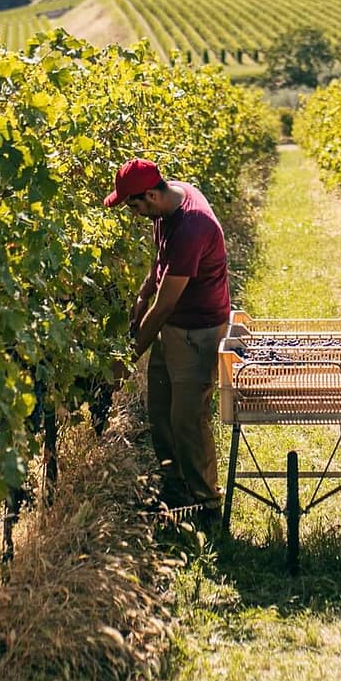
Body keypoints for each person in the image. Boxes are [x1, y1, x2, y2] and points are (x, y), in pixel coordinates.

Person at [105, 158, 231, 517]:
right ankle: (174, 491)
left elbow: (165, 305)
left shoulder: (193, 227)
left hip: (197, 331)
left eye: (133, 205)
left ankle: (206, 503)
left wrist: (127, 360)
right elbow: (160, 263)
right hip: (172, 326)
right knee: (160, 410)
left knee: (187, 419)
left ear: (151, 195)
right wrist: (142, 293)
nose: (131, 212)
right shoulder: (169, 202)